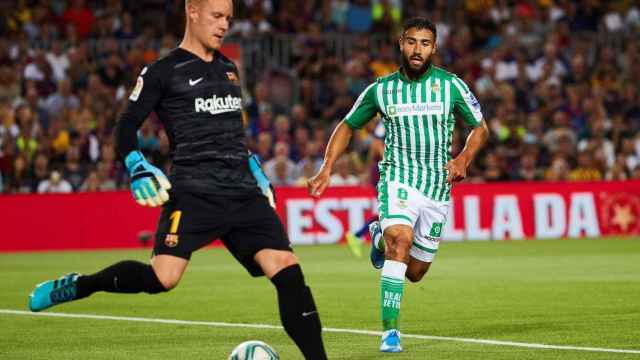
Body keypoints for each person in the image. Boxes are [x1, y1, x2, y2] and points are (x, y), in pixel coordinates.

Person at [28, 1, 327, 359]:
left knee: (287, 270)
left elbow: (231, 133)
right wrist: (137, 163)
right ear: (193, 11)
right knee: (163, 278)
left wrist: (256, 170)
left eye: (229, 19)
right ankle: (82, 285)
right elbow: (125, 126)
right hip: (193, 192)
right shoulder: (162, 71)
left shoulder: (229, 69)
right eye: (217, 16)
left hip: (242, 193)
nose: (223, 25)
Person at [308, 17, 489, 353]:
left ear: (434, 48)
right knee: (400, 243)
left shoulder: (451, 85)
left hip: (436, 186)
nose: (417, 49)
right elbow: (347, 126)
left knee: (416, 271)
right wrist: (327, 167)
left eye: (424, 43)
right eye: (411, 42)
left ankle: (377, 238)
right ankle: (390, 332)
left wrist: (463, 159)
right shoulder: (381, 90)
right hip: (398, 179)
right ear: (400, 44)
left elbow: (480, 128)